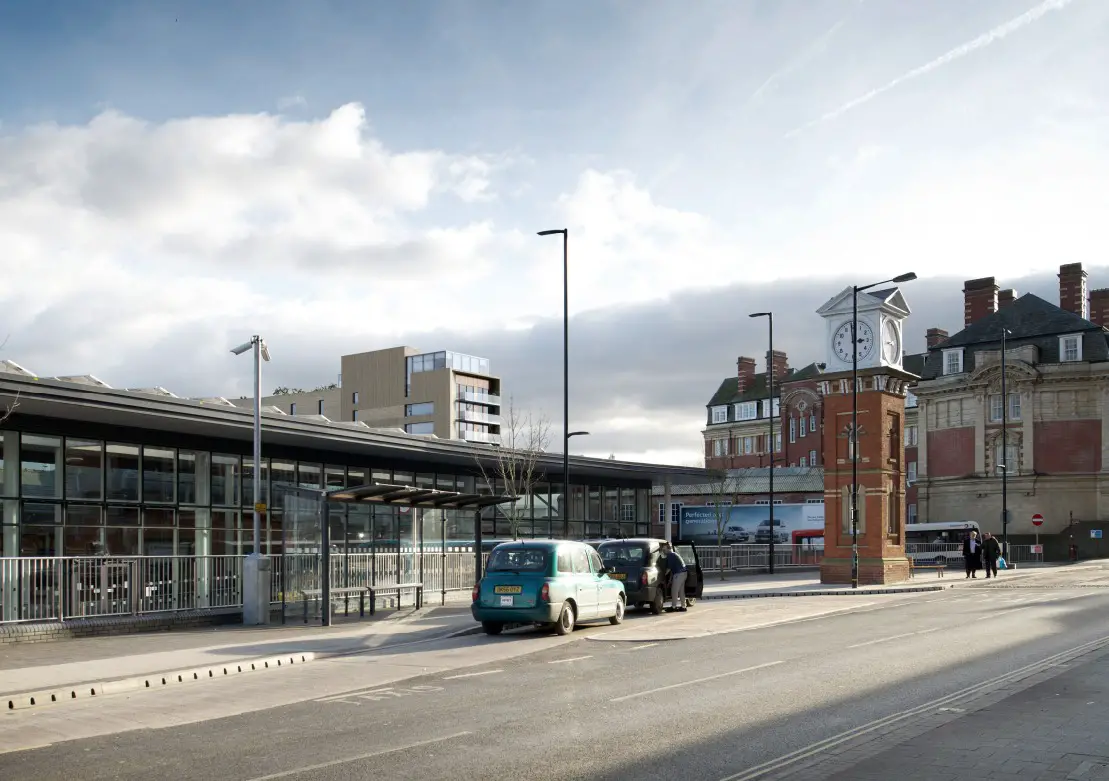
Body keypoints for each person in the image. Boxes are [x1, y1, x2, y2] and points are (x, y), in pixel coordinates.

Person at [662, 542, 688, 612]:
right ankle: (683, 606)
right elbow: (673, 569)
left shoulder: (670, 555)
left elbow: (669, 569)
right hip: (684, 573)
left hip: (679, 574)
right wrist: (670, 579)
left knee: (674, 590)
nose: (663, 552)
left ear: (668, 549)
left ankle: (673, 607)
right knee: (681, 591)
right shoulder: (675, 554)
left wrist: (662, 575)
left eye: (664, 550)